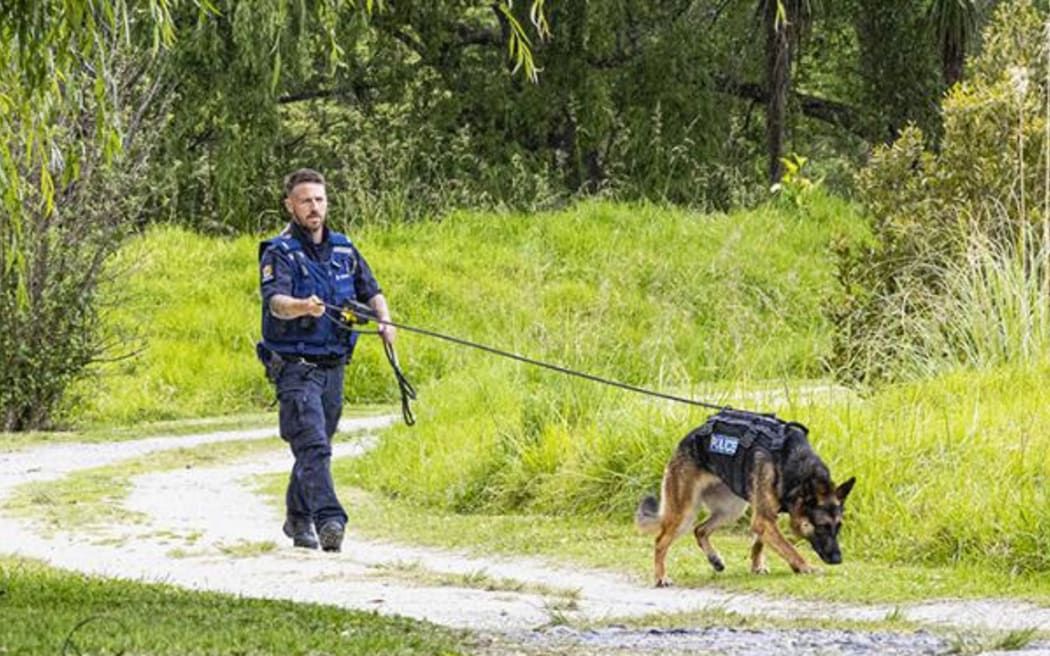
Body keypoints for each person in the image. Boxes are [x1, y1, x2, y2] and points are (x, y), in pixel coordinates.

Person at [257, 168, 395, 552]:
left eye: (319, 200)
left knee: (317, 444)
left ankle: (297, 519)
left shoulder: (344, 249)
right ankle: (330, 520)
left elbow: (372, 291)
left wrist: (384, 320)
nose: (314, 208)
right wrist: (303, 306)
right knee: (314, 445)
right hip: (295, 367)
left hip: (334, 365)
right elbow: (276, 304)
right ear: (290, 205)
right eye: (305, 201)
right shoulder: (279, 253)